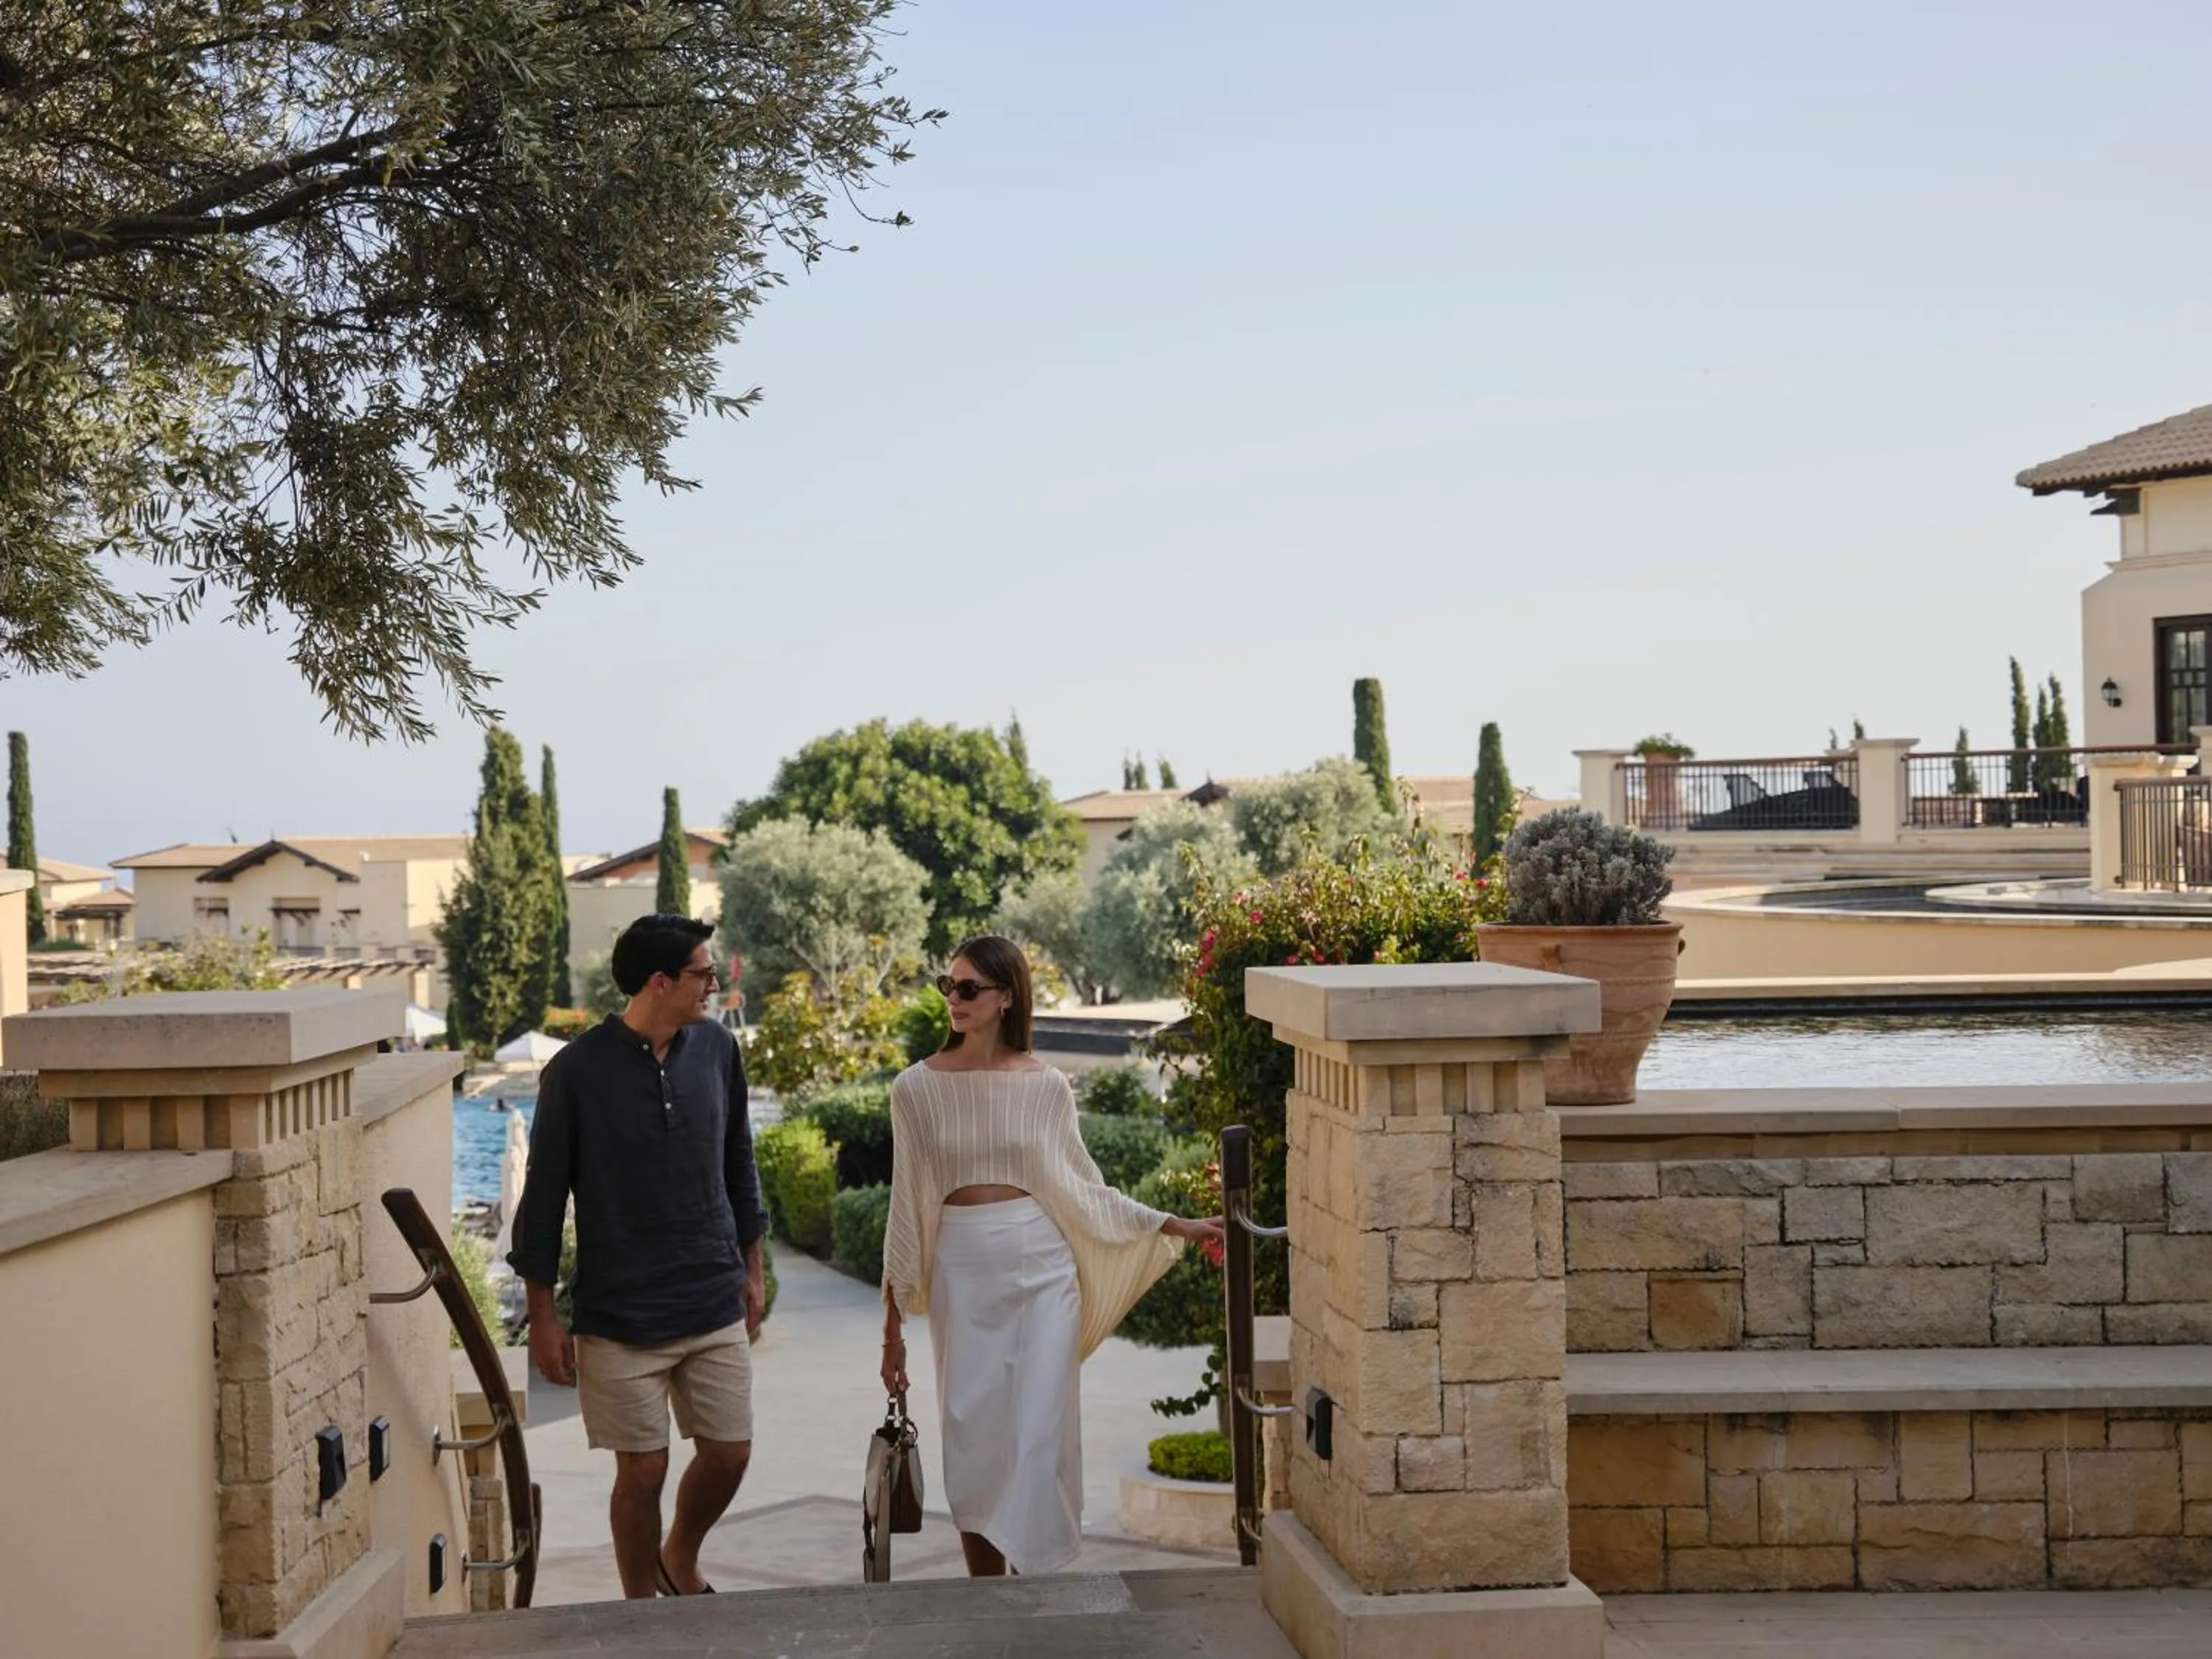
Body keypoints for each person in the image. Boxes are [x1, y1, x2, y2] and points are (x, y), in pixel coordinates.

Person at [879, 934, 1223, 1578]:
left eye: (968, 988)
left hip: (1043, 1269)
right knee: (973, 1437)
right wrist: (891, 1334)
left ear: (1007, 996)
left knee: (1040, 1432)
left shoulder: (1047, 1086)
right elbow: (906, 1209)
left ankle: (1032, 1584)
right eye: (948, 985)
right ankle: (989, 1589)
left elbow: (1081, 1189)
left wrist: (1171, 1224)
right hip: (963, 1273)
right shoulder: (914, 1090)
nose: (954, 998)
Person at [508, 912, 766, 1599]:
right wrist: (543, 1315)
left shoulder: (718, 1050)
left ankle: (678, 1556)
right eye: (703, 974)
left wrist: (752, 1268)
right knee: (644, 1470)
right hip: (619, 1311)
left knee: (730, 1452)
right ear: (659, 982)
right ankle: (640, 1610)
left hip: (711, 1294)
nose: (713, 986)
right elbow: (543, 1197)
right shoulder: (575, 1072)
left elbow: (739, 1162)